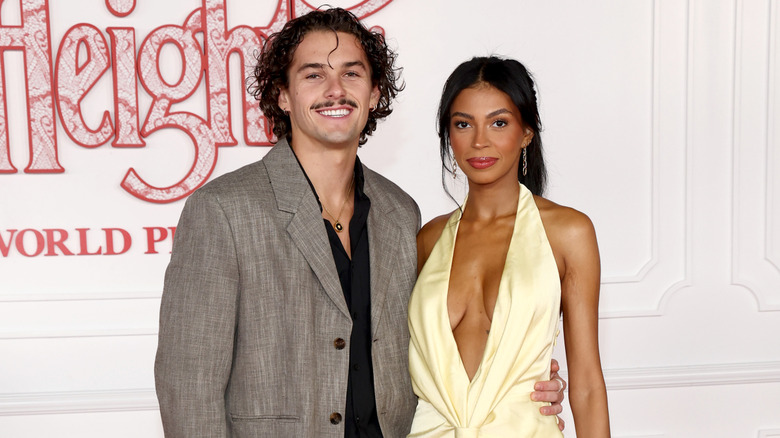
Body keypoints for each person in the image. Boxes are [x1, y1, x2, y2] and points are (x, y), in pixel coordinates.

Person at [154, 8, 566, 438]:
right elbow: (188, 388)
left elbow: (434, 346)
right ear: (282, 94)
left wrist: (518, 387)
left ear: (374, 93)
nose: (335, 90)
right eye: (314, 75)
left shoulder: (401, 214)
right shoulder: (222, 210)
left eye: (352, 74)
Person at [408, 56, 610, 437]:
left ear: (527, 132)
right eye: (463, 124)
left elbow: (585, 382)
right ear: (448, 136)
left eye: (498, 123)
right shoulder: (428, 239)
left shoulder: (568, 232)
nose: (479, 140)